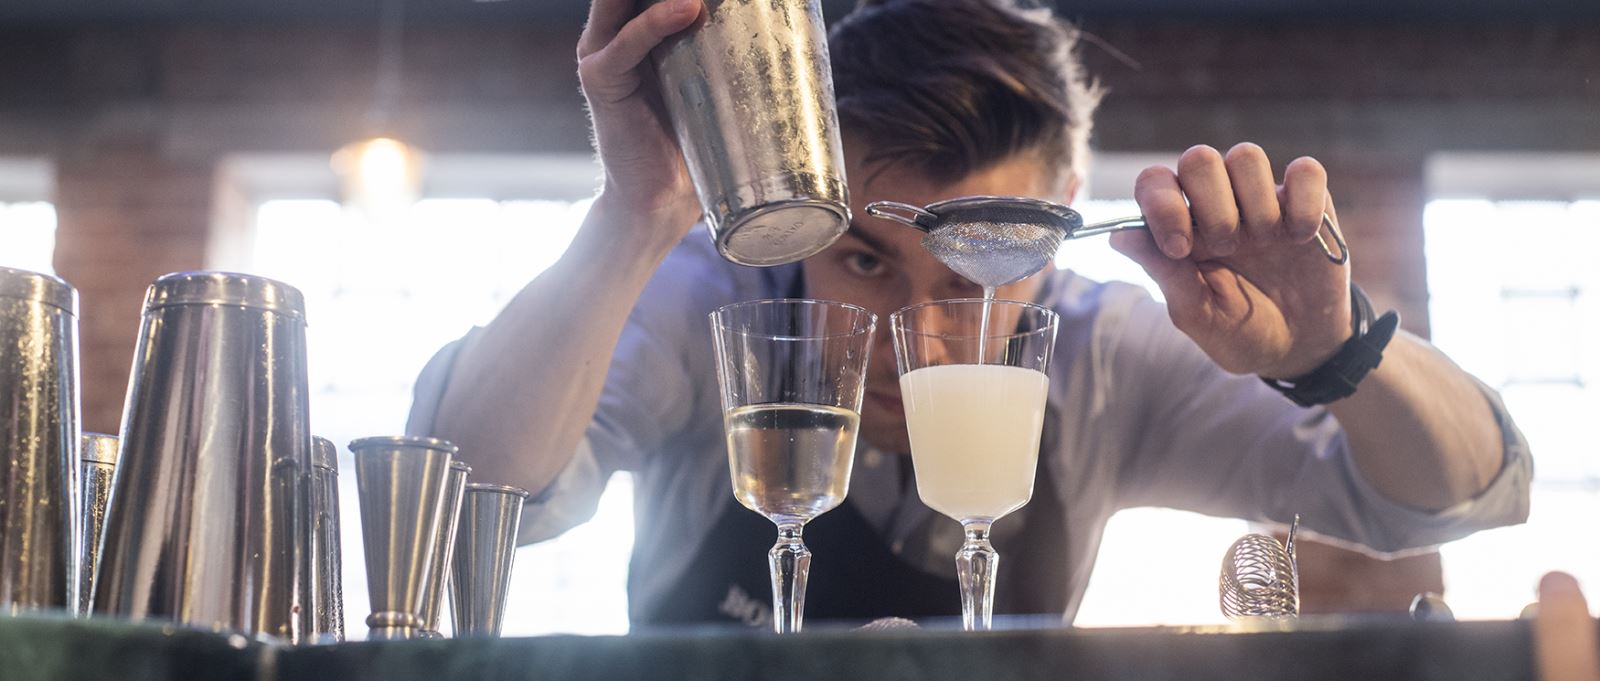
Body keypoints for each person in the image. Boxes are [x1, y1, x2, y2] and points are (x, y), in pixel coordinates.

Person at [407, 0, 1530, 627]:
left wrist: (1339, 352)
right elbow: (465, 504)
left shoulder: (1099, 351)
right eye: (862, 260)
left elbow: (1458, 499)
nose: (913, 330)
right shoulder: (713, 298)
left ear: (1049, 244)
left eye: (979, 270)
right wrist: (632, 218)